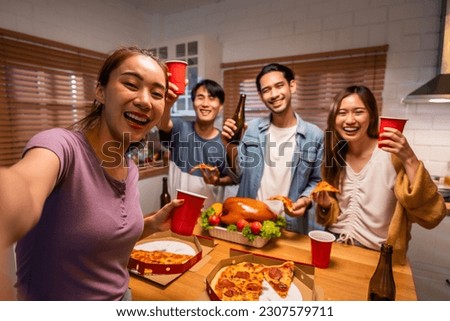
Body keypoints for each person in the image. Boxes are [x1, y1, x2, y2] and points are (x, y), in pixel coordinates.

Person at [0, 46, 185, 300]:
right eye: (131, 84)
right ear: (100, 91)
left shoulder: (129, 168)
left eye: (157, 93)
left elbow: (102, 242)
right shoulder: (61, 147)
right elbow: (22, 189)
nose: (144, 100)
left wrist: (150, 225)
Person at [311, 85, 446, 264]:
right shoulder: (335, 156)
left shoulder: (393, 155)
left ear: (372, 116)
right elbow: (332, 215)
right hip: (334, 249)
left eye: (358, 112)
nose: (349, 120)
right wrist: (326, 206)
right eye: (342, 113)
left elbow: (432, 215)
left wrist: (410, 158)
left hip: (378, 255)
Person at [221, 63, 324, 234]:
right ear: (261, 96)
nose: (274, 94)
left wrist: (305, 200)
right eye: (266, 90)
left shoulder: (315, 135)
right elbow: (237, 176)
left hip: (290, 227)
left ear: (292, 86)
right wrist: (229, 146)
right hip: (250, 223)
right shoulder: (251, 129)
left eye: (279, 86)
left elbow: (316, 180)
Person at [158, 79, 235, 208]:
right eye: (200, 97)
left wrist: (217, 181)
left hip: (209, 217)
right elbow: (163, 124)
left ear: (220, 106)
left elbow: (232, 178)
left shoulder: (226, 143)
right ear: (193, 102)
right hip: (176, 212)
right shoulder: (180, 128)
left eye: (212, 98)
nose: (205, 104)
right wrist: (167, 105)